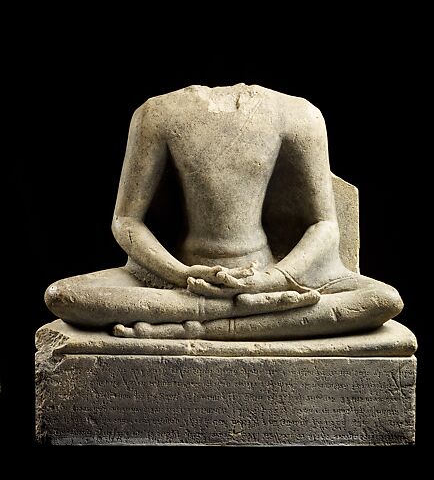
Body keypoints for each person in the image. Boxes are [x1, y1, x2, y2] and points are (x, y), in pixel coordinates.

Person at [45, 84, 403, 340]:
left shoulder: (298, 114)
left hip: (269, 275)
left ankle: (202, 324)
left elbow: (324, 224)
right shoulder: (157, 114)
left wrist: (274, 279)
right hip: (177, 281)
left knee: (383, 300)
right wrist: (183, 274)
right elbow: (126, 221)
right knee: (64, 297)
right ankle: (241, 315)